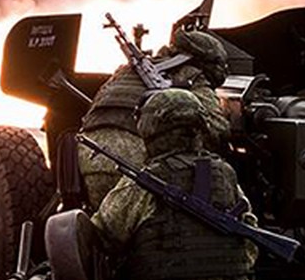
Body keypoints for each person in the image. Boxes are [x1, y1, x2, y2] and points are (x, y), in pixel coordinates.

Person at [90, 87, 257, 280]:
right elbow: (249, 240)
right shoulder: (226, 175)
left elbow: (104, 234)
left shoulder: (143, 181)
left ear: (151, 129)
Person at [77, 23, 231, 210]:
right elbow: (218, 130)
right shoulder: (191, 74)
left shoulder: (125, 71)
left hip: (89, 156)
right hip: (135, 165)